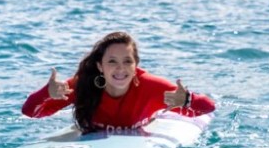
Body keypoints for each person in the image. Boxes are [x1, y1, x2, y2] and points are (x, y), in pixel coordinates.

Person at [22, 31, 215, 132]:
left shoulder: (151, 87)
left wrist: (187, 100)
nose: (120, 69)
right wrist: (46, 93)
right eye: (112, 61)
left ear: (136, 65)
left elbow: (207, 108)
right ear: (100, 66)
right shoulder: (83, 85)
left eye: (127, 61)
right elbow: (30, 112)